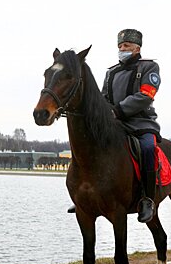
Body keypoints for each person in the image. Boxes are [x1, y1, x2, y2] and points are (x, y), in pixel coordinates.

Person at [68, 29, 161, 224]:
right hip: (115, 123)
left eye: (126, 46)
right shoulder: (111, 72)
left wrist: (117, 111)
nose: (122, 49)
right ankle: (85, 197)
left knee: (148, 148)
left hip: (141, 122)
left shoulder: (149, 67)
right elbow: (103, 99)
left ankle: (147, 199)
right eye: (120, 46)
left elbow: (146, 95)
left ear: (137, 48)